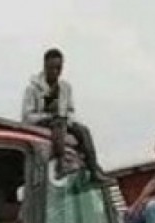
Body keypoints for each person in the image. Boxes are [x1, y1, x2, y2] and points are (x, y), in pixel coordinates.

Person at [20, 48, 104, 179]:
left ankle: (94, 169)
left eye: (58, 68)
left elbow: (71, 110)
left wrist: (64, 114)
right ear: (45, 67)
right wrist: (49, 114)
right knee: (58, 123)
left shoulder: (65, 87)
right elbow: (26, 116)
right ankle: (62, 163)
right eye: (51, 68)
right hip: (42, 122)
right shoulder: (32, 89)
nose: (55, 72)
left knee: (83, 130)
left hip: (63, 119)